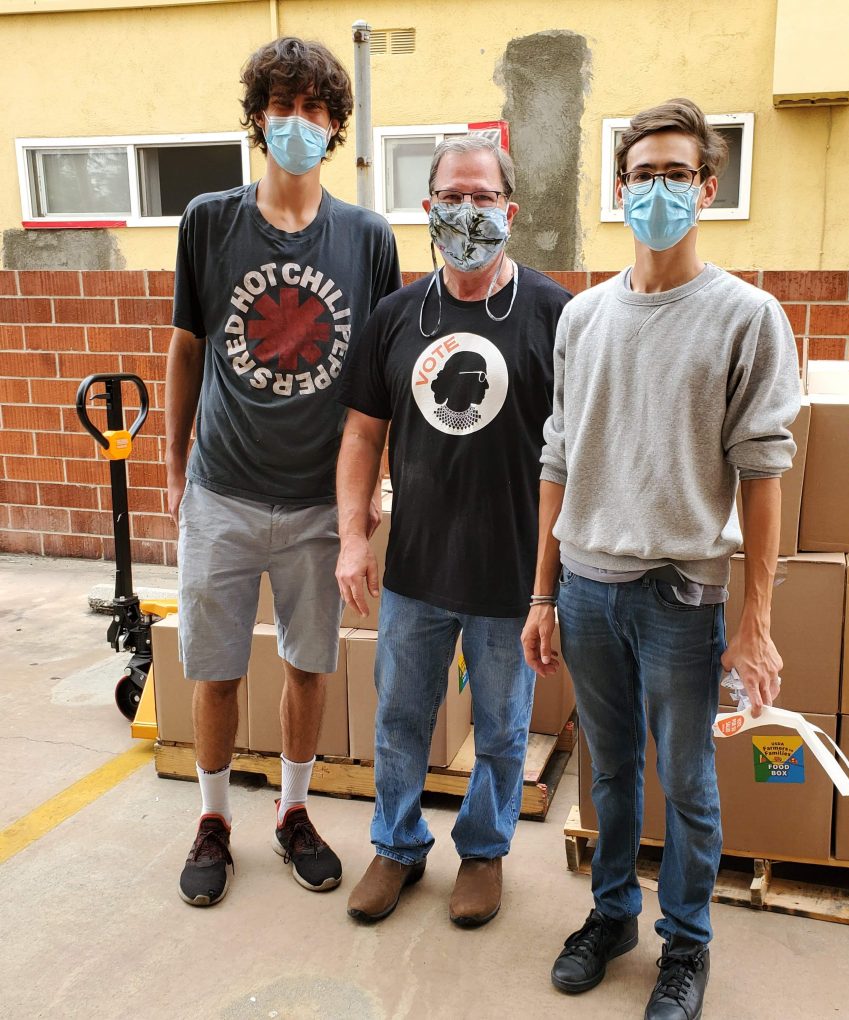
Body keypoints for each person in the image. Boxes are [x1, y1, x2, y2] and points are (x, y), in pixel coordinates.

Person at [522, 98, 800, 1019]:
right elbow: (558, 459)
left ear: (708, 189)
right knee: (607, 773)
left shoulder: (747, 317)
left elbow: (763, 474)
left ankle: (686, 943)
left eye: (677, 175)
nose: (658, 191)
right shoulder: (583, 317)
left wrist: (755, 623)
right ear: (619, 188)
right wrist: (542, 595)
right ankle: (611, 916)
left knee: (685, 782)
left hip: (683, 596)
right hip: (588, 591)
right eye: (643, 175)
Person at [166, 36, 400, 908]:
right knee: (215, 670)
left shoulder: (369, 238)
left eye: (314, 108)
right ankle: (213, 819)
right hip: (222, 491)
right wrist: (175, 469)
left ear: (335, 126)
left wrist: (369, 494)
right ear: (258, 118)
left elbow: (381, 376)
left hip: (317, 503)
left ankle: (293, 812)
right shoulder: (208, 221)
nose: (297, 122)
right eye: (282, 105)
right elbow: (186, 349)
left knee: (309, 666)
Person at [335, 135, 570, 927]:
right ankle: (397, 846)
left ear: (510, 210)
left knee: (502, 731)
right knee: (400, 721)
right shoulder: (397, 316)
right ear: (427, 208)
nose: (466, 211)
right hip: (418, 572)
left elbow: (576, 453)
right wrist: (353, 537)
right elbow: (362, 434)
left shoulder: (554, 314)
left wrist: (553, 582)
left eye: (482, 196)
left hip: (511, 577)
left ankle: (483, 852)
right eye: (450, 196)